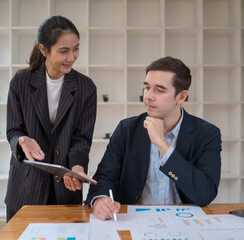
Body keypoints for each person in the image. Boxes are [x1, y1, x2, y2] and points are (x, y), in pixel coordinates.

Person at [85, 56, 222, 221]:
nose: (148, 96)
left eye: (159, 90)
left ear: (181, 97)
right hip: (134, 222)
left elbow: (204, 194)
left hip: (185, 222)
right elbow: (104, 178)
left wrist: (162, 144)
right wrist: (100, 200)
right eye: (147, 87)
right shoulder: (127, 129)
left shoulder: (207, 134)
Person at [5, 15, 97, 221]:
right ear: (44, 50)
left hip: (66, 186)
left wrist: (77, 167)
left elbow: (82, 139)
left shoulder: (86, 88)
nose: (72, 57)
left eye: (76, 49)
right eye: (63, 51)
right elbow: (13, 130)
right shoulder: (21, 82)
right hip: (25, 189)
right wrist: (22, 141)